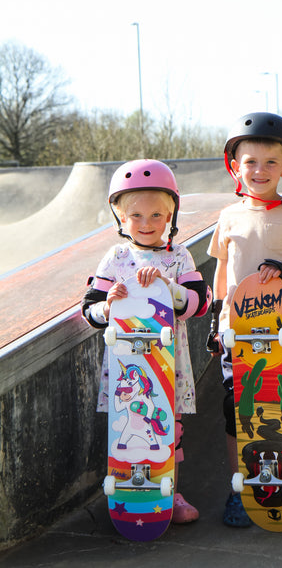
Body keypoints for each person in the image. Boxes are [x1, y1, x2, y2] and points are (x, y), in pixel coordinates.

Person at [207, 112, 282, 527]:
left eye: (270, 162)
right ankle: (241, 489)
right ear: (234, 167)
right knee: (237, 410)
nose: (259, 171)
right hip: (236, 330)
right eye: (250, 162)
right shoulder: (228, 216)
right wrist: (214, 322)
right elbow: (222, 272)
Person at [82, 159, 211, 524]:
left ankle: (170, 490)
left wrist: (170, 289)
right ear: (121, 218)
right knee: (126, 424)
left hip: (167, 361)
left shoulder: (178, 256)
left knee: (167, 425)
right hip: (127, 365)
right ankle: (127, 490)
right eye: (136, 216)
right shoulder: (116, 258)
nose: (147, 224)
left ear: (171, 215)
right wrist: (107, 306)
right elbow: (89, 310)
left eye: (157, 215)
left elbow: (199, 303)